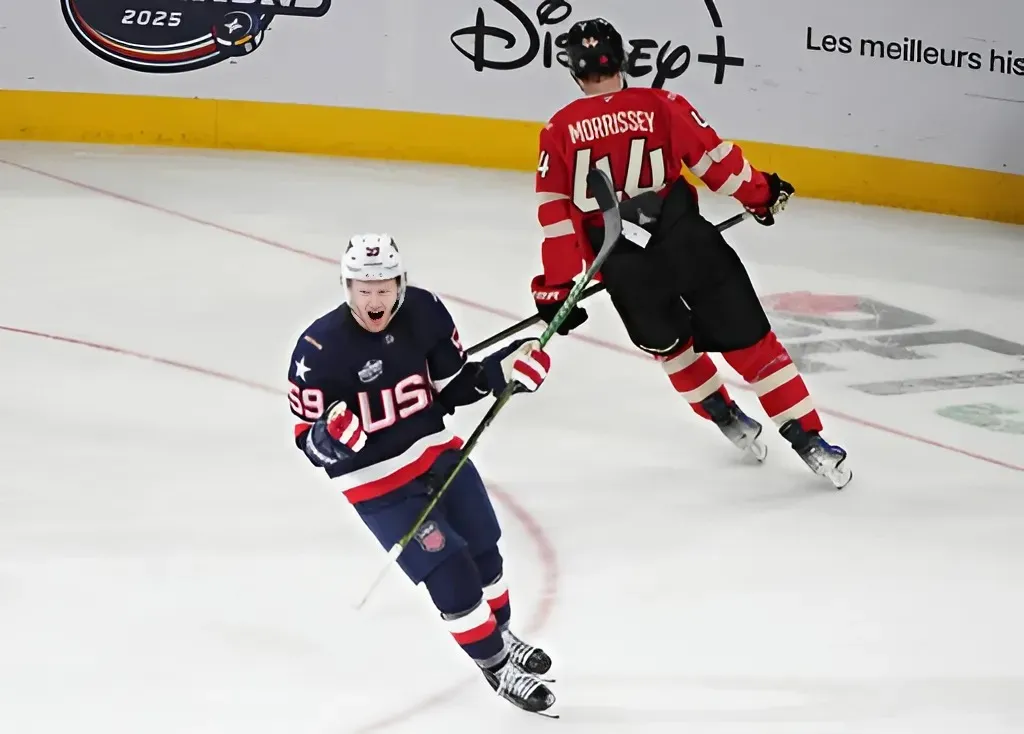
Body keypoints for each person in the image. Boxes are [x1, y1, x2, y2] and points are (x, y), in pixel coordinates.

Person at [530, 17, 852, 489]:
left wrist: (558, 287)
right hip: (686, 243)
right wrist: (761, 195)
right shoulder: (662, 105)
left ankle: (727, 418)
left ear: (574, 73)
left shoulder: (558, 130)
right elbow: (716, 163)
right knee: (753, 344)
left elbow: (556, 216)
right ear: (622, 59)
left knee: (670, 346)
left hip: (624, 264)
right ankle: (810, 443)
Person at [287, 234, 557, 714]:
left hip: (435, 452)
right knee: (448, 569)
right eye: (364, 289)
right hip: (375, 482)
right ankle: (496, 665)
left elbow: (452, 389)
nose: (375, 299)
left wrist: (506, 368)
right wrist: (329, 436)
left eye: (384, 287)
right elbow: (308, 442)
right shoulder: (318, 349)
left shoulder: (427, 313)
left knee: (483, 545)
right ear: (347, 287)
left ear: (401, 284)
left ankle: (503, 632)